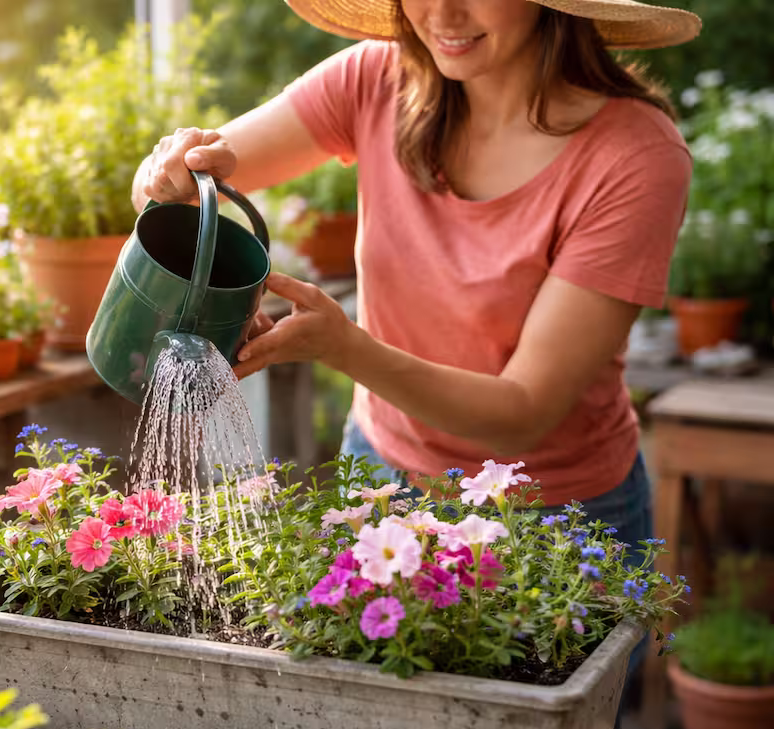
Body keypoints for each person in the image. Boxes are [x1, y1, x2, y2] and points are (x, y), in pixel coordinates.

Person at [132, 0, 701, 551]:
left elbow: (525, 413)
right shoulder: (377, 77)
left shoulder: (633, 156)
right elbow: (162, 190)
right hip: (383, 475)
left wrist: (343, 347)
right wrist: (172, 172)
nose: (443, 14)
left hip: (550, 518)